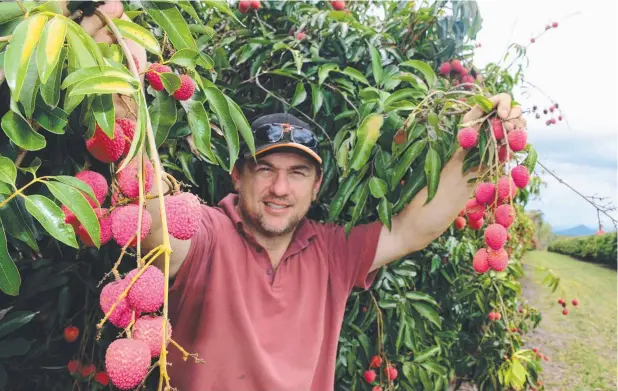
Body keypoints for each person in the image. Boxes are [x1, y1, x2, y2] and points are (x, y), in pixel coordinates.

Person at [63, 2, 526, 390]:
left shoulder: (333, 252)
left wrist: (479, 150)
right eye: (265, 169)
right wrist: (113, 79)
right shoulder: (205, 234)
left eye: (298, 173)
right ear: (236, 176)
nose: (280, 188)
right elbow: (150, 218)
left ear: (317, 186)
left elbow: (411, 230)